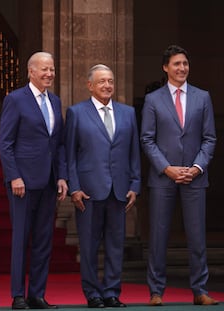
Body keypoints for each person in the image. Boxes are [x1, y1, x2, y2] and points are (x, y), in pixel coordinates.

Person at [140, 45, 218, 306]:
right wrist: (167, 168)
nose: (182, 68)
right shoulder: (153, 100)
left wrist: (196, 168)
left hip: (195, 177)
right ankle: (156, 291)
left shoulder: (202, 97)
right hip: (164, 177)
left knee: (197, 236)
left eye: (185, 63)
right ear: (165, 67)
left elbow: (209, 138)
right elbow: (147, 140)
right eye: (176, 64)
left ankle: (200, 290)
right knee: (158, 236)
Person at [64, 64, 141, 308]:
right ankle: (93, 294)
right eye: (101, 82)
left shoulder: (128, 113)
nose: (107, 85)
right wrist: (74, 187)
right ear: (90, 85)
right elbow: (70, 155)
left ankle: (111, 292)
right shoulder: (76, 113)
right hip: (87, 191)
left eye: (110, 81)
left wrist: (135, 184)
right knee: (88, 245)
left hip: (119, 190)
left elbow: (133, 153)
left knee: (116, 244)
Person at [0, 51, 68, 310]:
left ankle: (37, 294)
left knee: (43, 240)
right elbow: (5, 143)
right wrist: (14, 176)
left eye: (51, 69)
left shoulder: (55, 101)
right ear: (31, 71)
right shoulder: (15, 100)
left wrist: (61, 176)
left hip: (49, 182)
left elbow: (58, 144)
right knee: (21, 239)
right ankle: (18, 295)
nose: (49, 73)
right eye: (44, 69)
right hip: (22, 184)